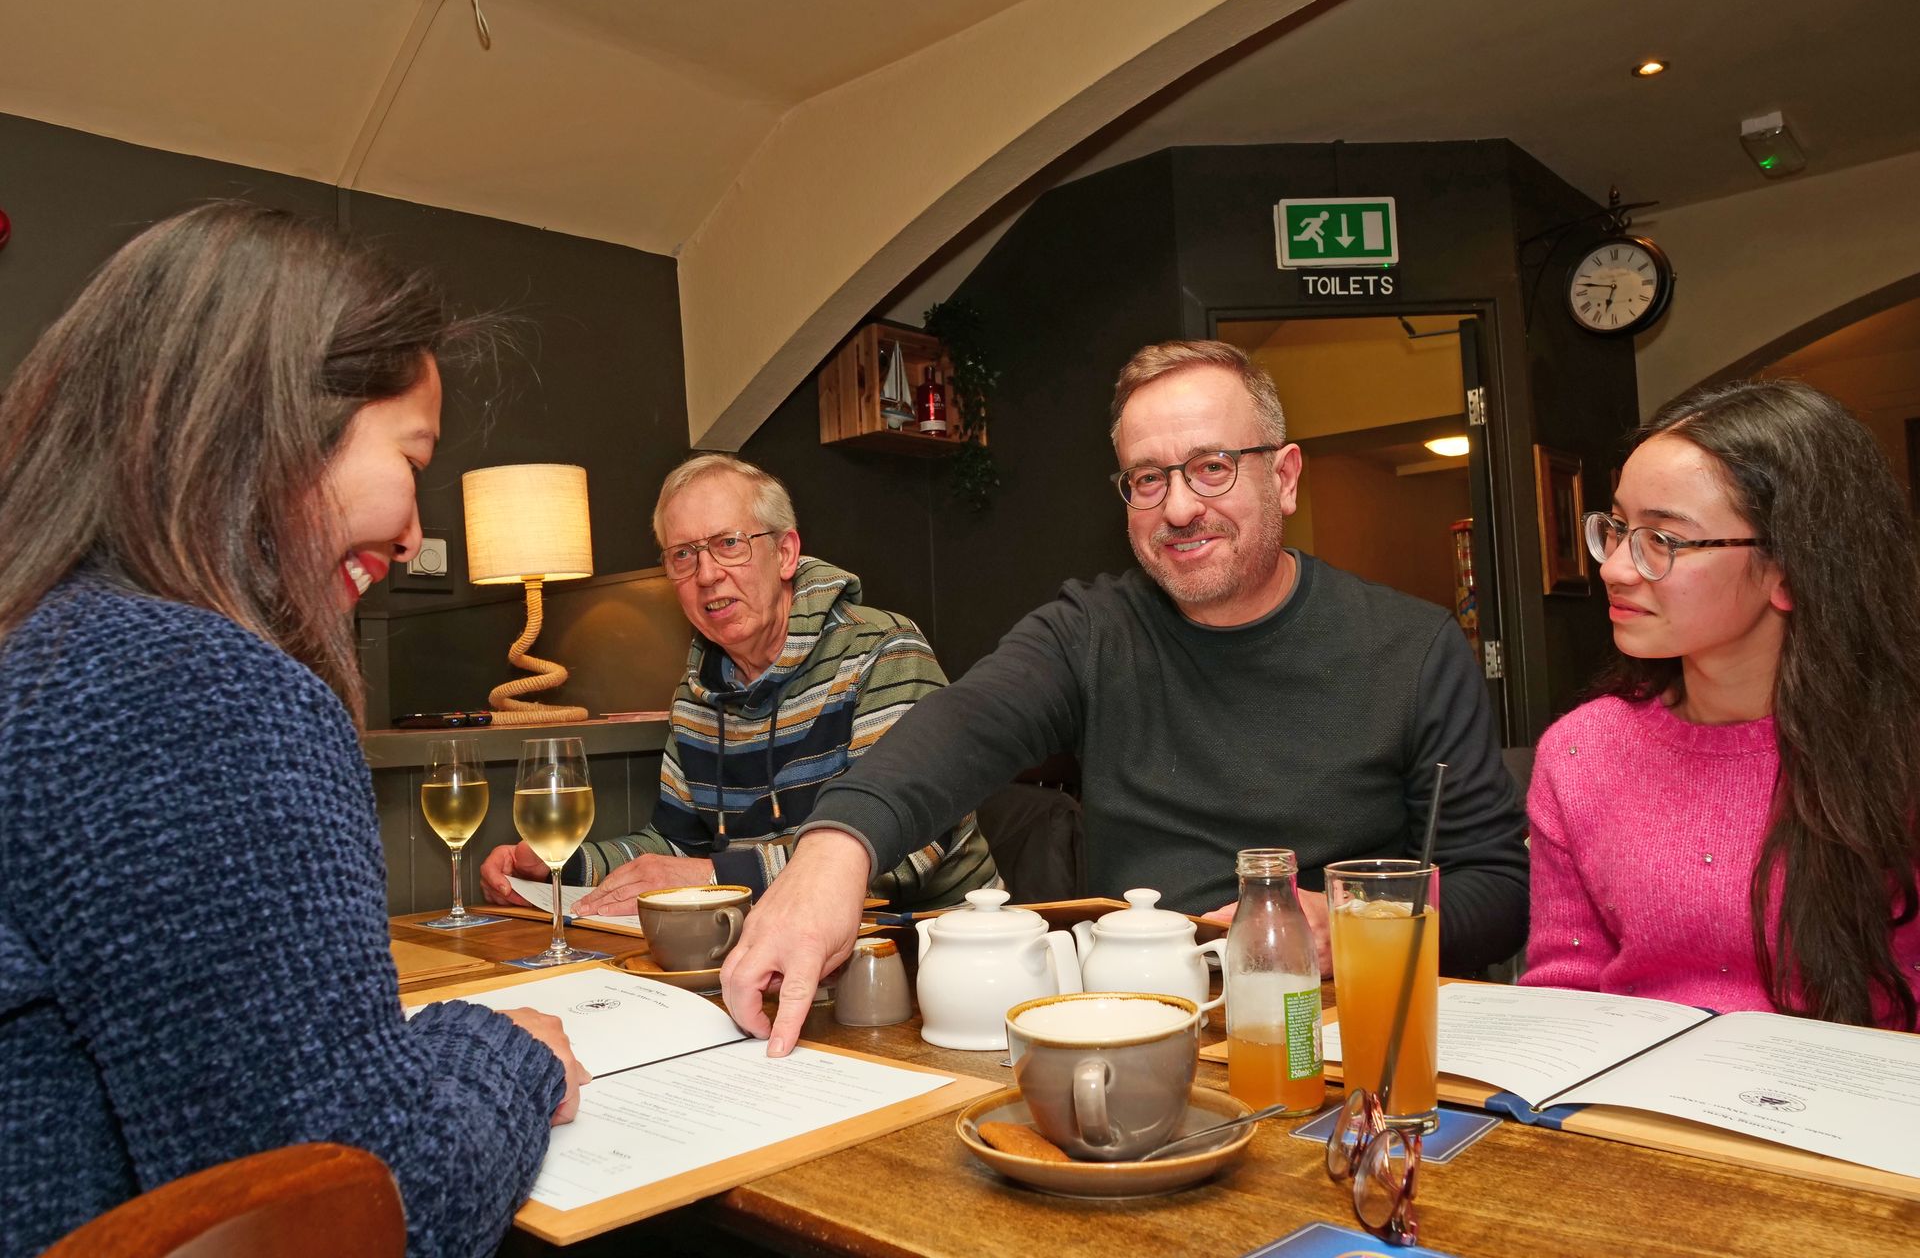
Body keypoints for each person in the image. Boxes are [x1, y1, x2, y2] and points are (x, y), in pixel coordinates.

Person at [0, 202, 589, 1257]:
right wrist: (495, 1045)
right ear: (279, 412)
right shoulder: (195, 686)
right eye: (414, 457)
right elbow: (375, 1208)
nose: (415, 535)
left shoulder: (40, 651)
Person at [721, 339, 1529, 1054]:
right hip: (1137, 1031)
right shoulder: (1091, 630)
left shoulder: (1415, 648)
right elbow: (960, 728)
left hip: (1333, 1035)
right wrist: (833, 852)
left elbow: (1497, 892)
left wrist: (1349, 931)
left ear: (1282, 479)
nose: (1179, 507)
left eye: (1212, 467)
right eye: (1148, 479)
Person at [1521, 380, 1920, 1029]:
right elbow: (1564, 991)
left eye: (1664, 541)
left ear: (1789, 568)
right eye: (1619, 528)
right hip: (1639, 1108)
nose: (1616, 568)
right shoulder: (1581, 749)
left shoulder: (1898, 747)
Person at [479, 454, 997, 915]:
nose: (707, 574)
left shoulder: (882, 649)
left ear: (786, 554)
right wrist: (559, 868)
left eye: (729, 544)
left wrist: (716, 878)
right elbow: (675, 846)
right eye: (683, 554)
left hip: (931, 944)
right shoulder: (697, 695)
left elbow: (905, 844)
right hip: (772, 945)